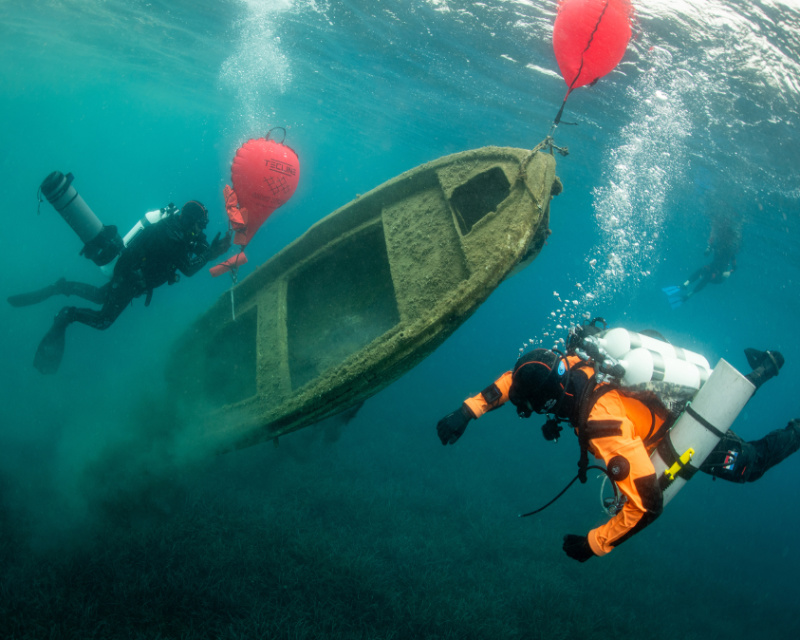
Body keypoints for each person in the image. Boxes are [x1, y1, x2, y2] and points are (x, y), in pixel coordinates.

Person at [436, 332, 799, 562]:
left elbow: (648, 504)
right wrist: (467, 411)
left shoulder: (602, 425)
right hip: (656, 406)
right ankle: (766, 367)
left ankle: (791, 419)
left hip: (680, 428)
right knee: (725, 412)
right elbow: (516, 379)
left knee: (749, 465)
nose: (525, 409)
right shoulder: (571, 365)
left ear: (547, 401)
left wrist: (594, 543)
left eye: (528, 406)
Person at [7, 201, 231, 374]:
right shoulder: (172, 237)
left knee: (99, 295)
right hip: (130, 280)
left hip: (128, 275)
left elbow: (197, 243)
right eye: (198, 225)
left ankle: (63, 287)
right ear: (189, 221)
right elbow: (189, 268)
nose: (199, 230)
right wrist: (210, 254)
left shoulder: (176, 228)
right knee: (103, 320)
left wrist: (207, 248)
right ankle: (68, 314)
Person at [662, 213, 741, 308]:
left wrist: (726, 273)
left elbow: (735, 267)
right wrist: (709, 246)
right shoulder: (718, 246)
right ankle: (684, 285)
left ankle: (689, 295)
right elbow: (706, 254)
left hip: (720, 275)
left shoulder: (729, 251)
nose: (722, 239)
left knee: (707, 277)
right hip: (713, 267)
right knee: (703, 269)